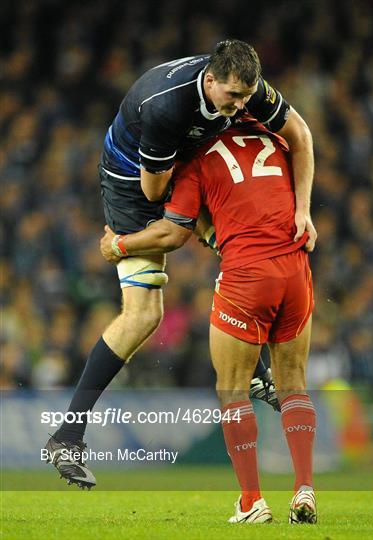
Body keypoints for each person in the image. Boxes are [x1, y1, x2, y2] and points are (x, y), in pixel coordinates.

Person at [45, 39, 316, 490]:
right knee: (143, 315)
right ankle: (67, 436)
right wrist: (124, 244)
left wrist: (302, 209)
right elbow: (156, 195)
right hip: (134, 183)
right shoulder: (166, 109)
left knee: (242, 247)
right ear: (210, 81)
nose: (240, 107)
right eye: (232, 98)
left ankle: (256, 376)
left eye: (246, 98)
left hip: (182, 165)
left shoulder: (243, 87)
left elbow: (300, 136)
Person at [100, 116, 317, 524]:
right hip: (296, 267)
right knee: (293, 383)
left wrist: (119, 244)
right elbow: (301, 151)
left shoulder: (197, 158)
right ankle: (304, 488)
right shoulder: (273, 137)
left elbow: (172, 234)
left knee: (233, 389)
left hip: (248, 274)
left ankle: (252, 501)